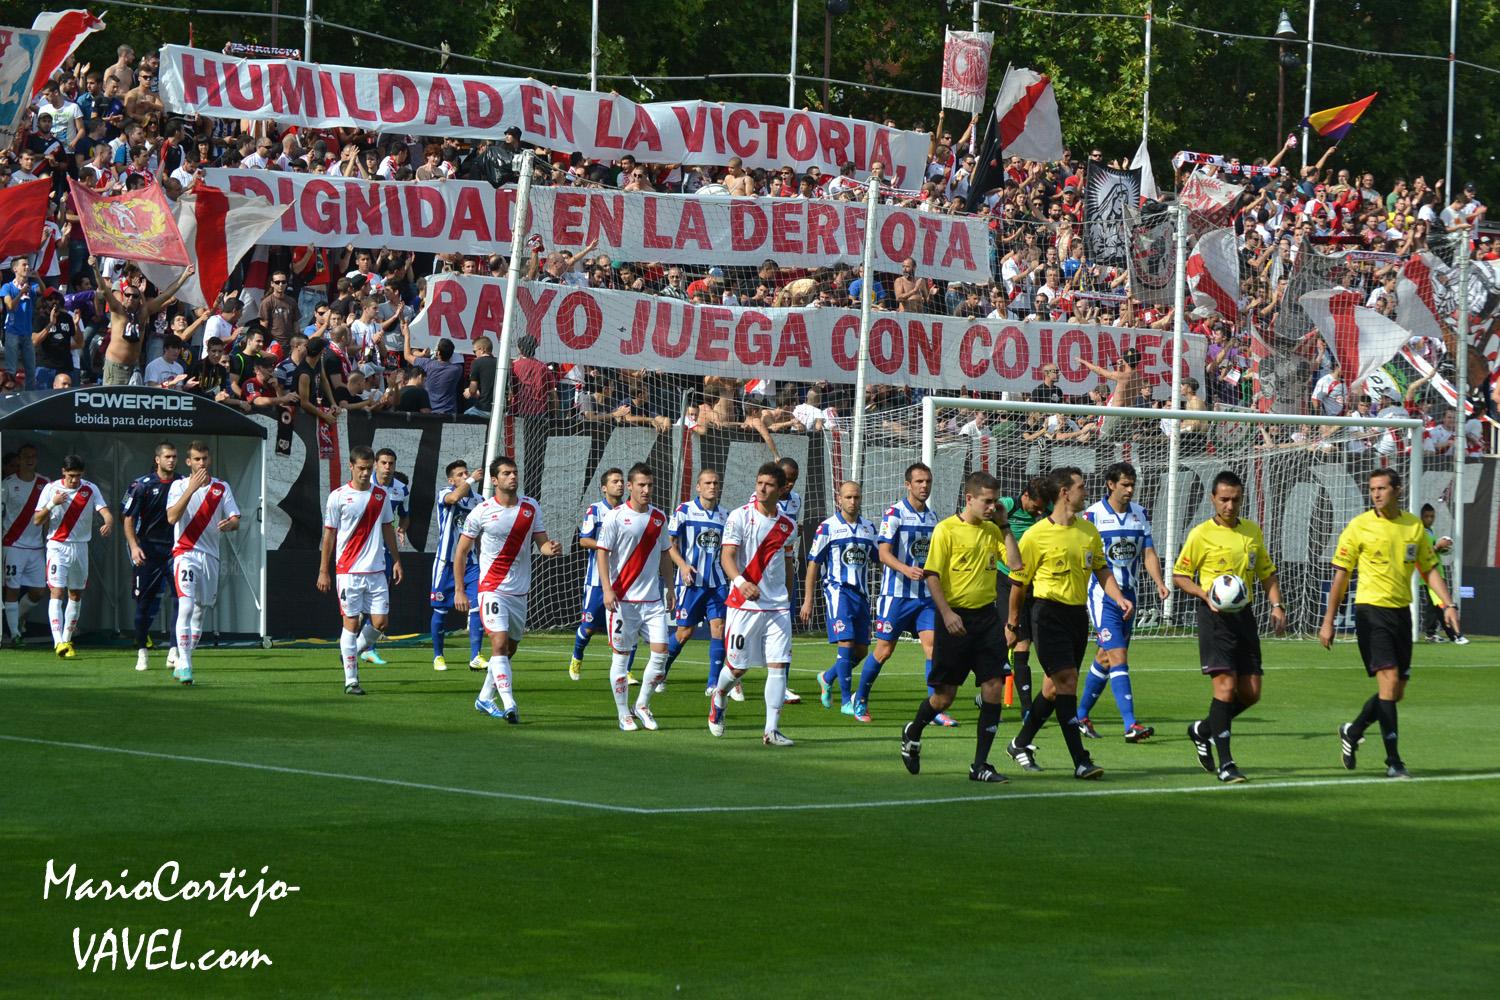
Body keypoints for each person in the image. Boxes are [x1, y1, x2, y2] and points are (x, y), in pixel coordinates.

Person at [1320, 470, 1459, 779]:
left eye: (1382, 488)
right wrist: (1328, 621)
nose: (1376, 494)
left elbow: (1429, 568)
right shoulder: (1359, 527)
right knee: (1389, 680)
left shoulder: (1413, 527)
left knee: (1395, 692)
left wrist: (1448, 604)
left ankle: (1353, 731)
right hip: (1370, 612)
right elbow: (1341, 575)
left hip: (1400, 614)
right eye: (1372, 489)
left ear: (1397, 490)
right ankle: (1394, 761)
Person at [1003, 467, 1131, 780]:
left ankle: (1019, 743)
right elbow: (1019, 583)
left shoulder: (1088, 531)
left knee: (1051, 688)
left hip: (1077, 616)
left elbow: (1101, 570)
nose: (1085, 492)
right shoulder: (1035, 535)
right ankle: (1081, 760)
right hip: (1047, 615)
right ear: (1064, 493)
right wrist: (1012, 622)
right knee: (1068, 682)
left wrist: (1117, 597)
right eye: (1081, 487)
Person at [900, 470, 1022, 782]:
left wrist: (1005, 524)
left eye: (995, 502)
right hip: (953, 619)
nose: (992, 507)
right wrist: (946, 613)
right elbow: (932, 574)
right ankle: (913, 732)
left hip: (986, 619)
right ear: (969, 499)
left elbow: (1016, 563)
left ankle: (980, 764)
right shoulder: (946, 530)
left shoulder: (994, 529)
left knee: (993, 686)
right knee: (945, 696)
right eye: (987, 501)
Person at [1172, 469, 1287, 783]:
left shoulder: (1251, 531)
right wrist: (1204, 593)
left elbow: (1267, 572)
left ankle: (1202, 729)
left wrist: (1277, 605)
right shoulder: (1200, 534)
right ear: (1213, 499)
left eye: (1235, 499)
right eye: (1223, 499)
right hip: (1214, 618)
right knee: (1224, 689)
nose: (1229, 505)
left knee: (1250, 693)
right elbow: (1180, 575)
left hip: (1244, 617)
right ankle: (1226, 763)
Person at [452, 456, 562, 722]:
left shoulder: (531, 507)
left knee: (509, 649)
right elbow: (462, 552)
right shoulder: (481, 512)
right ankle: (510, 704)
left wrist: (551, 549)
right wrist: (459, 590)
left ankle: (484, 698)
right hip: (491, 588)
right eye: (505, 473)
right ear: (494, 480)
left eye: (514, 472)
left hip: (519, 592)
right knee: (499, 644)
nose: (512, 477)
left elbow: (542, 543)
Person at [1074, 462, 1168, 742]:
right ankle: (1131, 724)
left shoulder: (1140, 514)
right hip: (1102, 597)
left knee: (1105, 657)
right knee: (1118, 657)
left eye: (1132, 485)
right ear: (1110, 484)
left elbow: (1149, 552)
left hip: (1130, 596)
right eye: (1124, 484)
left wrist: (1160, 582)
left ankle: (1079, 716)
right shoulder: (1093, 516)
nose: (1129, 490)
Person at [712, 462, 798, 746]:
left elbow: (787, 563)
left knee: (778, 666)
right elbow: (727, 557)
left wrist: (787, 594)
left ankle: (771, 730)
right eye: (759, 482)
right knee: (737, 669)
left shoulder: (788, 525)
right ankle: (720, 695)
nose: (761, 488)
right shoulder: (739, 517)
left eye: (769, 484)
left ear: (782, 489)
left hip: (777, 607)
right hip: (743, 605)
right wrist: (740, 583)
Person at [852, 462, 942, 725]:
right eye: (919, 482)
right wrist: (906, 569)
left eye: (927, 481)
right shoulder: (895, 514)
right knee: (884, 650)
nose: (924, 486)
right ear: (908, 485)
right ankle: (861, 699)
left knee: (933, 648)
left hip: (924, 597)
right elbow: (882, 553)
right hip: (896, 595)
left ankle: (934, 708)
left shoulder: (933, 517)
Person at [317, 446, 404, 696]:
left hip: (377, 570)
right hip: (349, 571)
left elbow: (388, 527)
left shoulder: (381, 496)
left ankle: (350, 653)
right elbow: (329, 535)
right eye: (361, 468)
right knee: (351, 624)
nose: (365, 473)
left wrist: (396, 560)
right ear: (352, 467)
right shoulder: (338, 496)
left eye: (369, 468)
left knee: (381, 623)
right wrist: (324, 570)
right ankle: (351, 680)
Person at [596, 464, 673, 731]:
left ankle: (641, 705)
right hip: (622, 600)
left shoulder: (659, 518)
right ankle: (622, 714)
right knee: (621, 657)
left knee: (661, 654)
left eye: (650, 485)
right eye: (641, 485)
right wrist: (607, 589)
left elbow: (665, 554)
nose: (646, 490)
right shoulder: (615, 517)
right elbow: (602, 553)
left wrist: (671, 589)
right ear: (630, 486)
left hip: (652, 601)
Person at [164, 441, 242, 685]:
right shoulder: (178, 486)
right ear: (188, 462)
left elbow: (236, 518)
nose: (201, 463)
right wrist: (192, 489)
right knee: (185, 607)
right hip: (185, 553)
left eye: (204, 459)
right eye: (196, 459)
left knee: (201, 609)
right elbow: (172, 517)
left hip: (210, 556)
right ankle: (186, 664)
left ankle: (183, 658)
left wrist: (230, 524)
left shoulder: (221, 487)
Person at [801, 480, 878, 715]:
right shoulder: (828, 527)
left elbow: (879, 558)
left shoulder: (869, 528)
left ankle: (827, 677)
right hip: (838, 591)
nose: (853, 502)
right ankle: (846, 701)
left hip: (861, 595)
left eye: (856, 497)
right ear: (839, 499)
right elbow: (814, 563)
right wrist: (808, 599)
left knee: (862, 650)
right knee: (846, 643)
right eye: (848, 497)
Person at [31, 454, 114, 658]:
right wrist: (53, 503)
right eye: (70, 475)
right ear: (63, 472)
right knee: (57, 592)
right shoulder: (51, 489)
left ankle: (68, 639)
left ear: (82, 474)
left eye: (77, 475)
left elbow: (105, 511)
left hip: (81, 547)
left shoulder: (90, 488)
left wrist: (108, 522)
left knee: (75, 594)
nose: (74, 480)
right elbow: (37, 520)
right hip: (58, 546)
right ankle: (58, 641)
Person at [661, 468, 729, 697]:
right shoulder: (684, 511)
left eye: (716, 483)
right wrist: (681, 564)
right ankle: (661, 672)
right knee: (684, 632)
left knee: (718, 628)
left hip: (717, 582)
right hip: (691, 583)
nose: (712, 486)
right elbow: (669, 543)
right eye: (707, 483)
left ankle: (713, 684)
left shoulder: (725, 516)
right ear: (698, 487)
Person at [120, 441, 182, 672]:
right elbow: (127, 518)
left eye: (174, 456)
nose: (171, 460)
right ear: (157, 459)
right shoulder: (142, 485)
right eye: (167, 456)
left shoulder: (182, 483)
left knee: (181, 600)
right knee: (143, 604)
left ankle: (174, 651)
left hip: (175, 550)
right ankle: (142, 652)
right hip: (148, 550)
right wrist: (134, 547)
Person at [567, 468, 628, 683]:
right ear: (604, 488)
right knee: (589, 627)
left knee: (628, 626)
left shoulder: (630, 511)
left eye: (621, 481)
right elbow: (584, 540)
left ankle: (626, 671)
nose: (619, 484)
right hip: (597, 580)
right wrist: (607, 547)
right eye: (614, 481)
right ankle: (577, 655)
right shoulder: (595, 510)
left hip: (625, 579)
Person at [994, 477, 1049, 712]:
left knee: (1034, 644)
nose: (1039, 511)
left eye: (1042, 508)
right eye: (1036, 506)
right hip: (1007, 580)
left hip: (1033, 583)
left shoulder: (1045, 513)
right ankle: (1027, 709)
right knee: (1019, 643)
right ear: (1025, 495)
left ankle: (990, 692)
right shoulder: (1007, 504)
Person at [94, 262, 196, 386]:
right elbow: (104, 290)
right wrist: (95, 268)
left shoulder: (144, 312)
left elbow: (168, 294)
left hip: (134, 367)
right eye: (127, 295)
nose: (131, 298)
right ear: (123, 296)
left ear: (139, 299)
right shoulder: (118, 310)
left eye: (135, 296)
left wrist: (185, 275)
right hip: (116, 367)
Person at [429, 460, 485, 672]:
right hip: (446, 562)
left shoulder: (479, 500)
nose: (465, 476)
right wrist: (471, 480)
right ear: (452, 480)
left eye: (466, 473)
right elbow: (454, 498)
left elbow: (480, 535)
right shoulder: (445, 492)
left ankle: (475, 656)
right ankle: (438, 656)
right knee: (441, 610)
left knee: (478, 605)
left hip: (471, 564)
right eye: (460, 475)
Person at [358, 448, 410, 667]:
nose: (387, 467)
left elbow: (405, 516)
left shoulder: (401, 489)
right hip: (361, 551)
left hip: (386, 553)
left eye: (391, 463)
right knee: (358, 606)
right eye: (384, 463)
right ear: (376, 464)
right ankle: (354, 644)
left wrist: (402, 529)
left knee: (379, 603)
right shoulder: (363, 485)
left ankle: (367, 648)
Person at [3, 444, 50, 646]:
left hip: (36, 546)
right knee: (12, 589)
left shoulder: (44, 483)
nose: (30, 459)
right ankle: (15, 634)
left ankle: (15, 619)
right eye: (26, 456)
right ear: (19, 459)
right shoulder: (7, 484)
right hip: (13, 544)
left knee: (38, 590)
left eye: (33, 456)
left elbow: (47, 514)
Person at [1418, 503, 1466, 643]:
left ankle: (1431, 634)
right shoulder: (1419, 532)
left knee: (1434, 606)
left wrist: (1442, 549)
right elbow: (1423, 554)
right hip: (1427, 574)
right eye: (1427, 516)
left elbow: (1433, 551)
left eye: (1432, 516)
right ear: (1421, 517)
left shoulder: (1431, 531)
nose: (1430, 519)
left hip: (1436, 572)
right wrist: (1438, 546)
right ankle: (1455, 635)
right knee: (1441, 605)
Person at [2, 259, 42, 390]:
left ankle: (30, 398)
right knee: (11, 370)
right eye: (24, 264)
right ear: (15, 269)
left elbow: (45, 292)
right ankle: (8, 398)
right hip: (12, 332)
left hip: (27, 333)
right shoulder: (7, 286)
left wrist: (38, 278)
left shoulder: (32, 286)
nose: (27, 266)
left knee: (31, 371)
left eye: (28, 264)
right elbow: (9, 306)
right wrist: (21, 292)